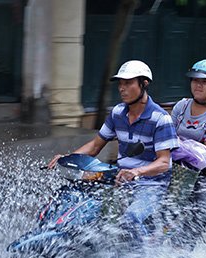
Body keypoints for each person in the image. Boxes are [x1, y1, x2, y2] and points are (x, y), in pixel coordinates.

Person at [48, 60, 179, 243]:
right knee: (77, 200)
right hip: (119, 178)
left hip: (151, 185)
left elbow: (164, 163)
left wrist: (136, 172)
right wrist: (68, 158)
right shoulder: (118, 113)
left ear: (144, 83)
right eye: (120, 84)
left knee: (131, 219)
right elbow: (95, 146)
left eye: (128, 83)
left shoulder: (160, 118)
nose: (122, 89)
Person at [169, 59, 206, 247]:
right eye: (195, 80)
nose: (198, 85)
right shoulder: (181, 106)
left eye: (204, 82)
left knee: (197, 217)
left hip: (201, 174)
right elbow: (166, 135)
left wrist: (176, 146)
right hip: (171, 166)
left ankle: (183, 256)